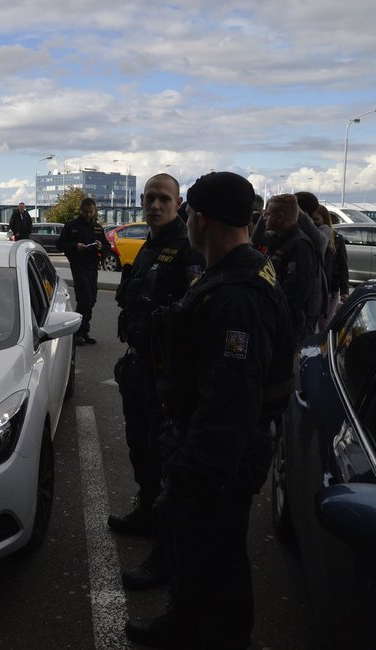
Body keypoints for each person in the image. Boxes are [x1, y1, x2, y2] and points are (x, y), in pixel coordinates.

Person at [126, 172, 293, 648]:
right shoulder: (231, 272)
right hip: (211, 447)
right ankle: (186, 617)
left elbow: (229, 406)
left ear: (200, 219)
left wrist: (189, 478)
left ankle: (218, 635)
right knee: (200, 552)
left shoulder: (238, 294)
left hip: (220, 459)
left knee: (219, 558)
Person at [109, 174, 204, 594]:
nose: (154, 205)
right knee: (140, 444)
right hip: (140, 365)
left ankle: (165, 554)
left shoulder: (187, 249)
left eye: (163, 199)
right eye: (149, 198)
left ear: (178, 202)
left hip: (167, 374)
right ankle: (145, 511)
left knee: (167, 458)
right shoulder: (149, 243)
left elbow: (195, 317)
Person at [261, 194, 320, 344]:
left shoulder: (299, 244)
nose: (264, 218)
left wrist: (273, 311)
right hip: (272, 315)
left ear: (280, 217)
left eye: (267, 214)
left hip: (286, 321)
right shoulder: (277, 239)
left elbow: (297, 290)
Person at [56, 197, 110, 346]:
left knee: (91, 299)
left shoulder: (98, 227)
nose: (88, 215)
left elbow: (107, 246)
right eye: (85, 212)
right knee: (84, 299)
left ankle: (84, 331)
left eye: (91, 212)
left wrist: (100, 247)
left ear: (94, 211)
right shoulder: (71, 225)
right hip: (78, 266)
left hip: (92, 267)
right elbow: (60, 244)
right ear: (80, 210)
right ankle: (77, 333)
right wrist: (75, 246)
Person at [312, 205, 349, 330]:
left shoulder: (337, 240)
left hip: (330, 289)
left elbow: (343, 266)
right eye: (310, 219)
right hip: (313, 289)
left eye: (316, 219)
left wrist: (344, 290)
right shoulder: (307, 238)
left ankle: (326, 349)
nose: (313, 223)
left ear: (325, 220)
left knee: (324, 326)